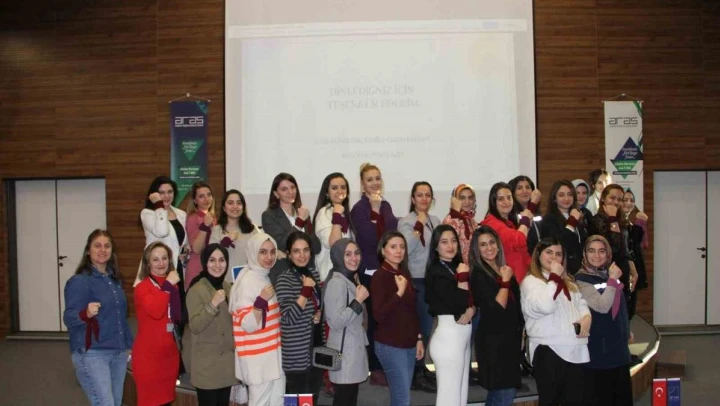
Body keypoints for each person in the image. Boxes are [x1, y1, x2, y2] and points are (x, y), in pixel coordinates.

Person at [63, 229, 133, 406]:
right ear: (88, 250)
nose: (102, 250)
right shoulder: (80, 281)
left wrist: (128, 345)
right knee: (105, 403)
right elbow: (69, 318)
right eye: (97, 245)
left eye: (107, 246)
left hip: (118, 351)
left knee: (116, 402)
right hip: (93, 353)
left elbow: (121, 317)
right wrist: (85, 314)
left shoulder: (114, 280)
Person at [521, 237, 591, 406]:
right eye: (549, 252)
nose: (554, 257)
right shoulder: (531, 282)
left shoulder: (569, 281)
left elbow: (581, 303)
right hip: (550, 349)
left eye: (559, 254)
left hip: (575, 348)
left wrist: (587, 318)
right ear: (538, 255)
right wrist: (554, 278)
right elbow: (545, 306)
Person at [349, 162, 398, 386]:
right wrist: (375, 212)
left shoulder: (385, 205)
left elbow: (391, 235)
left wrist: (378, 213)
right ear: (362, 183)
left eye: (377, 178)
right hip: (370, 272)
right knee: (375, 321)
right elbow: (368, 239)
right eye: (370, 179)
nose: (375, 183)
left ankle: (389, 365)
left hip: (388, 270)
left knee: (389, 319)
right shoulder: (359, 209)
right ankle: (376, 368)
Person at [468, 226, 524, 406]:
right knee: (503, 394)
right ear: (476, 250)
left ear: (498, 245)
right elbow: (496, 310)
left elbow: (517, 305)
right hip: (493, 343)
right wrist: (505, 281)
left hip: (510, 340)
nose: (489, 248)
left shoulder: (504, 269)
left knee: (501, 395)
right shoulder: (478, 274)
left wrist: (522, 332)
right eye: (483, 245)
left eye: (492, 242)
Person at [575, 236, 632, 406]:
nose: (597, 256)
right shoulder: (582, 279)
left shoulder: (608, 274)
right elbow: (602, 306)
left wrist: (625, 329)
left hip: (618, 350)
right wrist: (612, 280)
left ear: (608, 254)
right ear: (585, 254)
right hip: (600, 354)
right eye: (591, 251)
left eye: (601, 251)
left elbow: (619, 306)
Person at [229, 233, 284, 406]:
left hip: (272, 356)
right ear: (253, 252)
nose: (269, 257)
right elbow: (248, 324)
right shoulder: (247, 282)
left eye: (272, 252)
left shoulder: (263, 275)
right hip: (257, 360)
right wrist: (261, 301)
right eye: (263, 252)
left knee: (277, 402)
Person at [371, 231, 424, 406]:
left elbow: (412, 311)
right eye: (393, 247)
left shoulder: (403, 273)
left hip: (409, 343)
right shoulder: (380, 276)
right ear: (383, 250)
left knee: (401, 396)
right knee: (402, 399)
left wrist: (419, 338)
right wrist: (399, 292)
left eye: (402, 247)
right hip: (390, 345)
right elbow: (379, 315)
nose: (399, 251)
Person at [425, 225, 475, 406]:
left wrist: (472, 309)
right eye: (444, 242)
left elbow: (472, 299)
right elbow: (458, 305)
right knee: (449, 399)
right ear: (436, 246)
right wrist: (462, 278)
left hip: (462, 336)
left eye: (454, 241)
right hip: (448, 338)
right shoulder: (436, 271)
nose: (450, 246)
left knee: (460, 396)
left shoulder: (457, 266)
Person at [398, 181, 439, 391]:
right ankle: (414, 373)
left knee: (428, 327)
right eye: (420, 195)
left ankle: (421, 368)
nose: (424, 198)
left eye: (427, 195)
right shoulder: (406, 221)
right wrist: (419, 225)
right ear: (413, 199)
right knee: (419, 328)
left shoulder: (435, 220)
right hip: (415, 280)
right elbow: (405, 249)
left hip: (432, 280)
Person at [184, 243, 237, 406]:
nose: (217, 265)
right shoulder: (196, 289)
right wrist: (212, 305)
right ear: (205, 262)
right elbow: (195, 326)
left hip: (226, 365)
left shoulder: (228, 287)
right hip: (207, 368)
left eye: (222, 260)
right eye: (212, 260)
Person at [275, 232, 324, 402]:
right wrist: (305, 291)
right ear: (288, 254)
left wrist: (317, 316)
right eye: (296, 251)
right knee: (297, 401)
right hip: (296, 357)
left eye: (306, 250)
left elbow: (316, 305)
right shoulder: (284, 280)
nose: (302, 255)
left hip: (315, 350)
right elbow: (288, 319)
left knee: (312, 399)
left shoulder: (313, 274)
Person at [133, 241, 182, 406]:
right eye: (155, 259)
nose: (161, 263)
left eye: (164, 258)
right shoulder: (142, 287)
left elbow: (176, 318)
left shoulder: (173, 286)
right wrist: (167, 285)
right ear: (147, 263)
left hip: (169, 356)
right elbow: (156, 311)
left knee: (166, 402)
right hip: (149, 359)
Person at [322, 239, 370, 406]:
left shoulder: (349, 278)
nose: (354, 258)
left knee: (349, 399)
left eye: (356, 253)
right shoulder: (337, 282)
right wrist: (358, 301)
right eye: (347, 254)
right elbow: (335, 321)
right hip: (345, 355)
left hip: (352, 351)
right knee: (344, 399)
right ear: (338, 257)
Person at [261, 173, 321, 285]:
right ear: (276, 194)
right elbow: (282, 245)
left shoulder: (303, 213)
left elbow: (316, 248)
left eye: (293, 187)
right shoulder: (269, 215)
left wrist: (306, 223)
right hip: (284, 275)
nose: (290, 192)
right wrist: (299, 222)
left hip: (307, 273)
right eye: (284, 189)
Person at [589, 184, 638, 316]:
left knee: (625, 312)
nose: (616, 202)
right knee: (610, 313)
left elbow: (625, 248)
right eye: (612, 198)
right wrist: (612, 218)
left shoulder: (621, 221)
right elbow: (613, 247)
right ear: (603, 198)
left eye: (619, 199)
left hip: (623, 271)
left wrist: (633, 270)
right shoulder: (596, 220)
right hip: (606, 273)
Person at [137, 176, 188, 288]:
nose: (166, 196)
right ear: (154, 195)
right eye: (162, 193)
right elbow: (162, 232)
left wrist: (185, 253)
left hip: (177, 269)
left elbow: (184, 242)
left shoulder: (182, 214)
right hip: (157, 269)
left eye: (170, 192)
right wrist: (159, 205)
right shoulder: (147, 213)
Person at [481, 182, 532, 283]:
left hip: (521, 278)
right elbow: (518, 240)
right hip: (508, 280)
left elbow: (523, 251)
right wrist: (525, 220)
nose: (506, 202)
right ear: (493, 202)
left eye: (509, 197)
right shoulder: (491, 223)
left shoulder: (510, 224)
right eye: (501, 199)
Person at [540, 180, 588, 275]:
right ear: (554, 199)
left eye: (570, 195)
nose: (566, 198)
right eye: (561, 195)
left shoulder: (578, 216)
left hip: (579, 269)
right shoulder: (549, 219)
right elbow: (559, 243)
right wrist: (571, 222)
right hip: (561, 269)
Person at [210, 189, 259, 282]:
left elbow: (260, 252)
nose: (235, 206)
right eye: (230, 203)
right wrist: (227, 241)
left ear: (243, 207)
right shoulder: (217, 230)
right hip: (225, 281)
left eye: (239, 203)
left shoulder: (252, 229)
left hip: (248, 280)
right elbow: (211, 255)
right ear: (224, 208)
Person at [314, 172, 355, 281]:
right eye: (334, 188)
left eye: (343, 187)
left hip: (346, 274)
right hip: (331, 276)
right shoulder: (324, 213)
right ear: (327, 193)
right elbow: (334, 243)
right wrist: (336, 215)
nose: (340, 191)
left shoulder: (345, 214)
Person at [185, 181, 217, 290]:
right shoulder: (193, 218)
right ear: (195, 200)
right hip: (197, 269)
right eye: (201, 196)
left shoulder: (213, 218)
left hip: (212, 268)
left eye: (209, 195)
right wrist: (205, 225)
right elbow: (196, 249)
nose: (206, 199)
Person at [442, 183, 479, 264]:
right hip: (455, 267)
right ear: (455, 200)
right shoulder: (450, 220)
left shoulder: (472, 221)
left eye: (470, 197)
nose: (467, 202)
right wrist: (456, 214)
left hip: (471, 267)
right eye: (462, 198)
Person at [509, 176, 543, 254]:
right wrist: (533, 204)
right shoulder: (510, 215)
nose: (524, 191)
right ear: (513, 193)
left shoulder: (537, 214)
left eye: (528, 187)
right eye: (519, 188)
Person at [623, 189, 649, 291]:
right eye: (625, 200)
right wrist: (639, 224)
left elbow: (639, 244)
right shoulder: (617, 223)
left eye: (632, 200)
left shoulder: (630, 222)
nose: (629, 203)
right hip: (624, 271)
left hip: (634, 270)